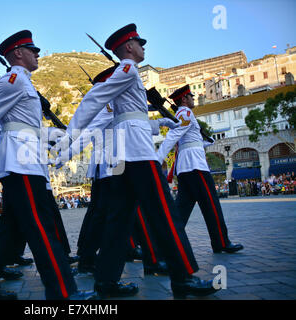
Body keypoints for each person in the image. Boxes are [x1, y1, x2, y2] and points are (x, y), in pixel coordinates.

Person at [56, 24, 219, 299]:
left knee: (118, 220)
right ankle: (183, 278)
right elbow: (93, 101)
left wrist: (160, 122)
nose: (143, 46)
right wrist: (67, 140)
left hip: (124, 154)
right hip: (139, 154)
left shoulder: (127, 73)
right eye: (139, 42)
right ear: (129, 47)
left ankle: (106, 281)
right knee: (165, 214)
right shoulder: (128, 70)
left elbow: (131, 115)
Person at [0, 30, 94, 300]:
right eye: (31, 49)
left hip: (28, 162)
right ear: (17, 53)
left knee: (8, 232)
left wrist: (55, 137)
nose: (37, 53)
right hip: (20, 164)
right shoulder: (12, 80)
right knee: (41, 228)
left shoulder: (24, 83)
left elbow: (22, 127)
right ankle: (63, 293)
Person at [157, 84, 243, 254]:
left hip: (186, 167)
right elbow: (174, 136)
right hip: (195, 166)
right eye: (191, 96)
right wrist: (157, 159)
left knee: (181, 211)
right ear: (184, 99)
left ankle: (166, 245)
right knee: (211, 204)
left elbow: (189, 140)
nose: (193, 98)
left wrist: (206, 142)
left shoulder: (182, 114)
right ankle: (221, 242)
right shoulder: (185, 113)